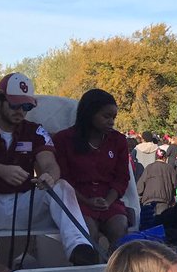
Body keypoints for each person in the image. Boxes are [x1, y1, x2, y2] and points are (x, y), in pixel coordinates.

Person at [0, 73, 96, 272]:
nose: (21, 112)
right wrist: (1, 170)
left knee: (62, 185)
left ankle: (80, 249)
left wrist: (49, 176)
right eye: (15, 105)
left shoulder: (35, 131)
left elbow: (50, 164)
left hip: (23, 204)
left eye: (26, 107)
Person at [52, 89, 131, 252]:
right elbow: (63, 178)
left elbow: (122, 177)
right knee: (87, 234)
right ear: (89, 114)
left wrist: (108, 200)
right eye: (106, 116)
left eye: (113, 117)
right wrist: (87, 201)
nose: (111, 122)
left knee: (120, 229)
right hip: (77, 199)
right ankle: (89, 270)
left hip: (109, 199)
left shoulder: (118, 140)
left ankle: (117, 271)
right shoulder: (63, 139)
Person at [136, 148, 175, 224]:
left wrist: (140, 197)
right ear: (165, 158)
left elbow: (140, 186)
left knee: (148, 226)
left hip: (148, 201)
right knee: (160, 226)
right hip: (164, 201)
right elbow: (175, 184)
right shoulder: (170, 168)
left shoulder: (149, 167)